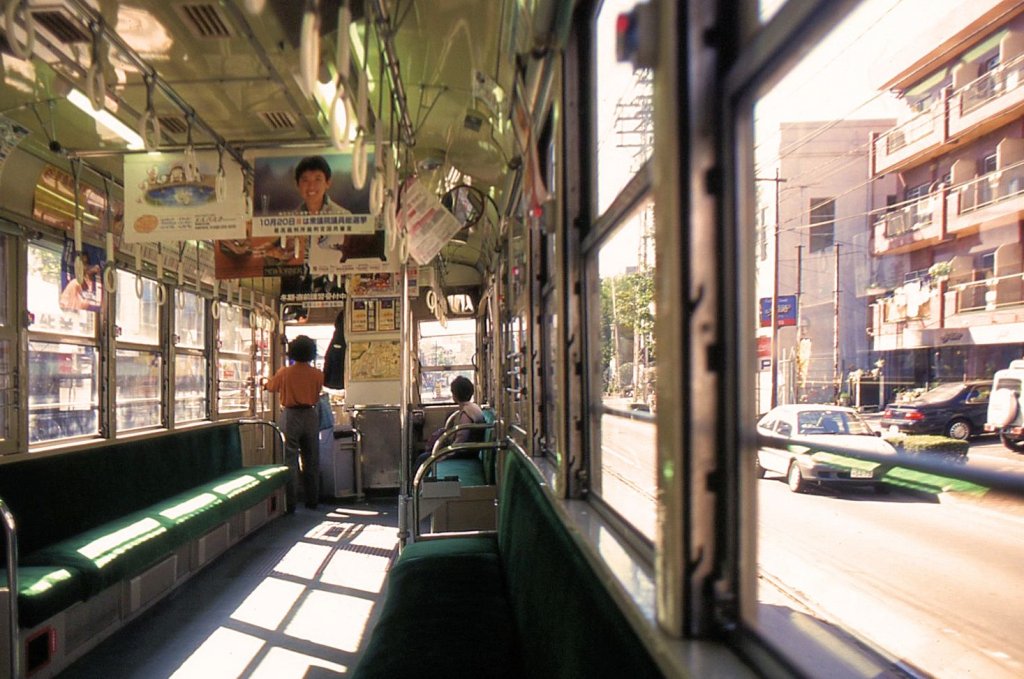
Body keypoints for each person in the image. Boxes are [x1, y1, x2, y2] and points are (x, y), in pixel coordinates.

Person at [264, 335, 325, 511]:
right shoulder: (317, 374)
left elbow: (271, 387)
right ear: (312, 353)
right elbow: (318, 390)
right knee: (312, 458)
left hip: (290, 416)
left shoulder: (284, 372)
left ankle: (290, 503)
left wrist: (263, 383)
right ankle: (312, 500)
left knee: (289, 458)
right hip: (311, 415)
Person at [416, 376, 487, 475]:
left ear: (455, 395)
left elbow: (460, 441)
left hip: (465, 453)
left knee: (422, 458)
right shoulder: (473, 408)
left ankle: (417, 489)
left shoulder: (466, 414)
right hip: (468, 451)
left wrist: (443, 455)